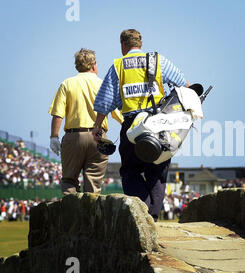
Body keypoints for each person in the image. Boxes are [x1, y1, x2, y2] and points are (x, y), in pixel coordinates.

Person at [92, 29, 189, 222]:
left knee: (130, 171)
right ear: (141, 44)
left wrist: (97, 126)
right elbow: (184, 85)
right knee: (158, 173)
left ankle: (141, 214)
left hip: (132, 127)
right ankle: (152, 216)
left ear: (123, 45)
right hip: (160, 124)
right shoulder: (158, 60)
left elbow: (105, 101)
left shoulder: (118, 65)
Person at [48, 48, 123, 195]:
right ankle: (91, 216)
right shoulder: (104, 84)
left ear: (77, 66)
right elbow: (118, 115)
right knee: (93, 182)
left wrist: (54, 137)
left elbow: (58, 114)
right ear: (94, 65)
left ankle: (72, 215)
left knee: (69, 180)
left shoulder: (67, 84)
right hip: (99, 137)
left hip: (74, 137)